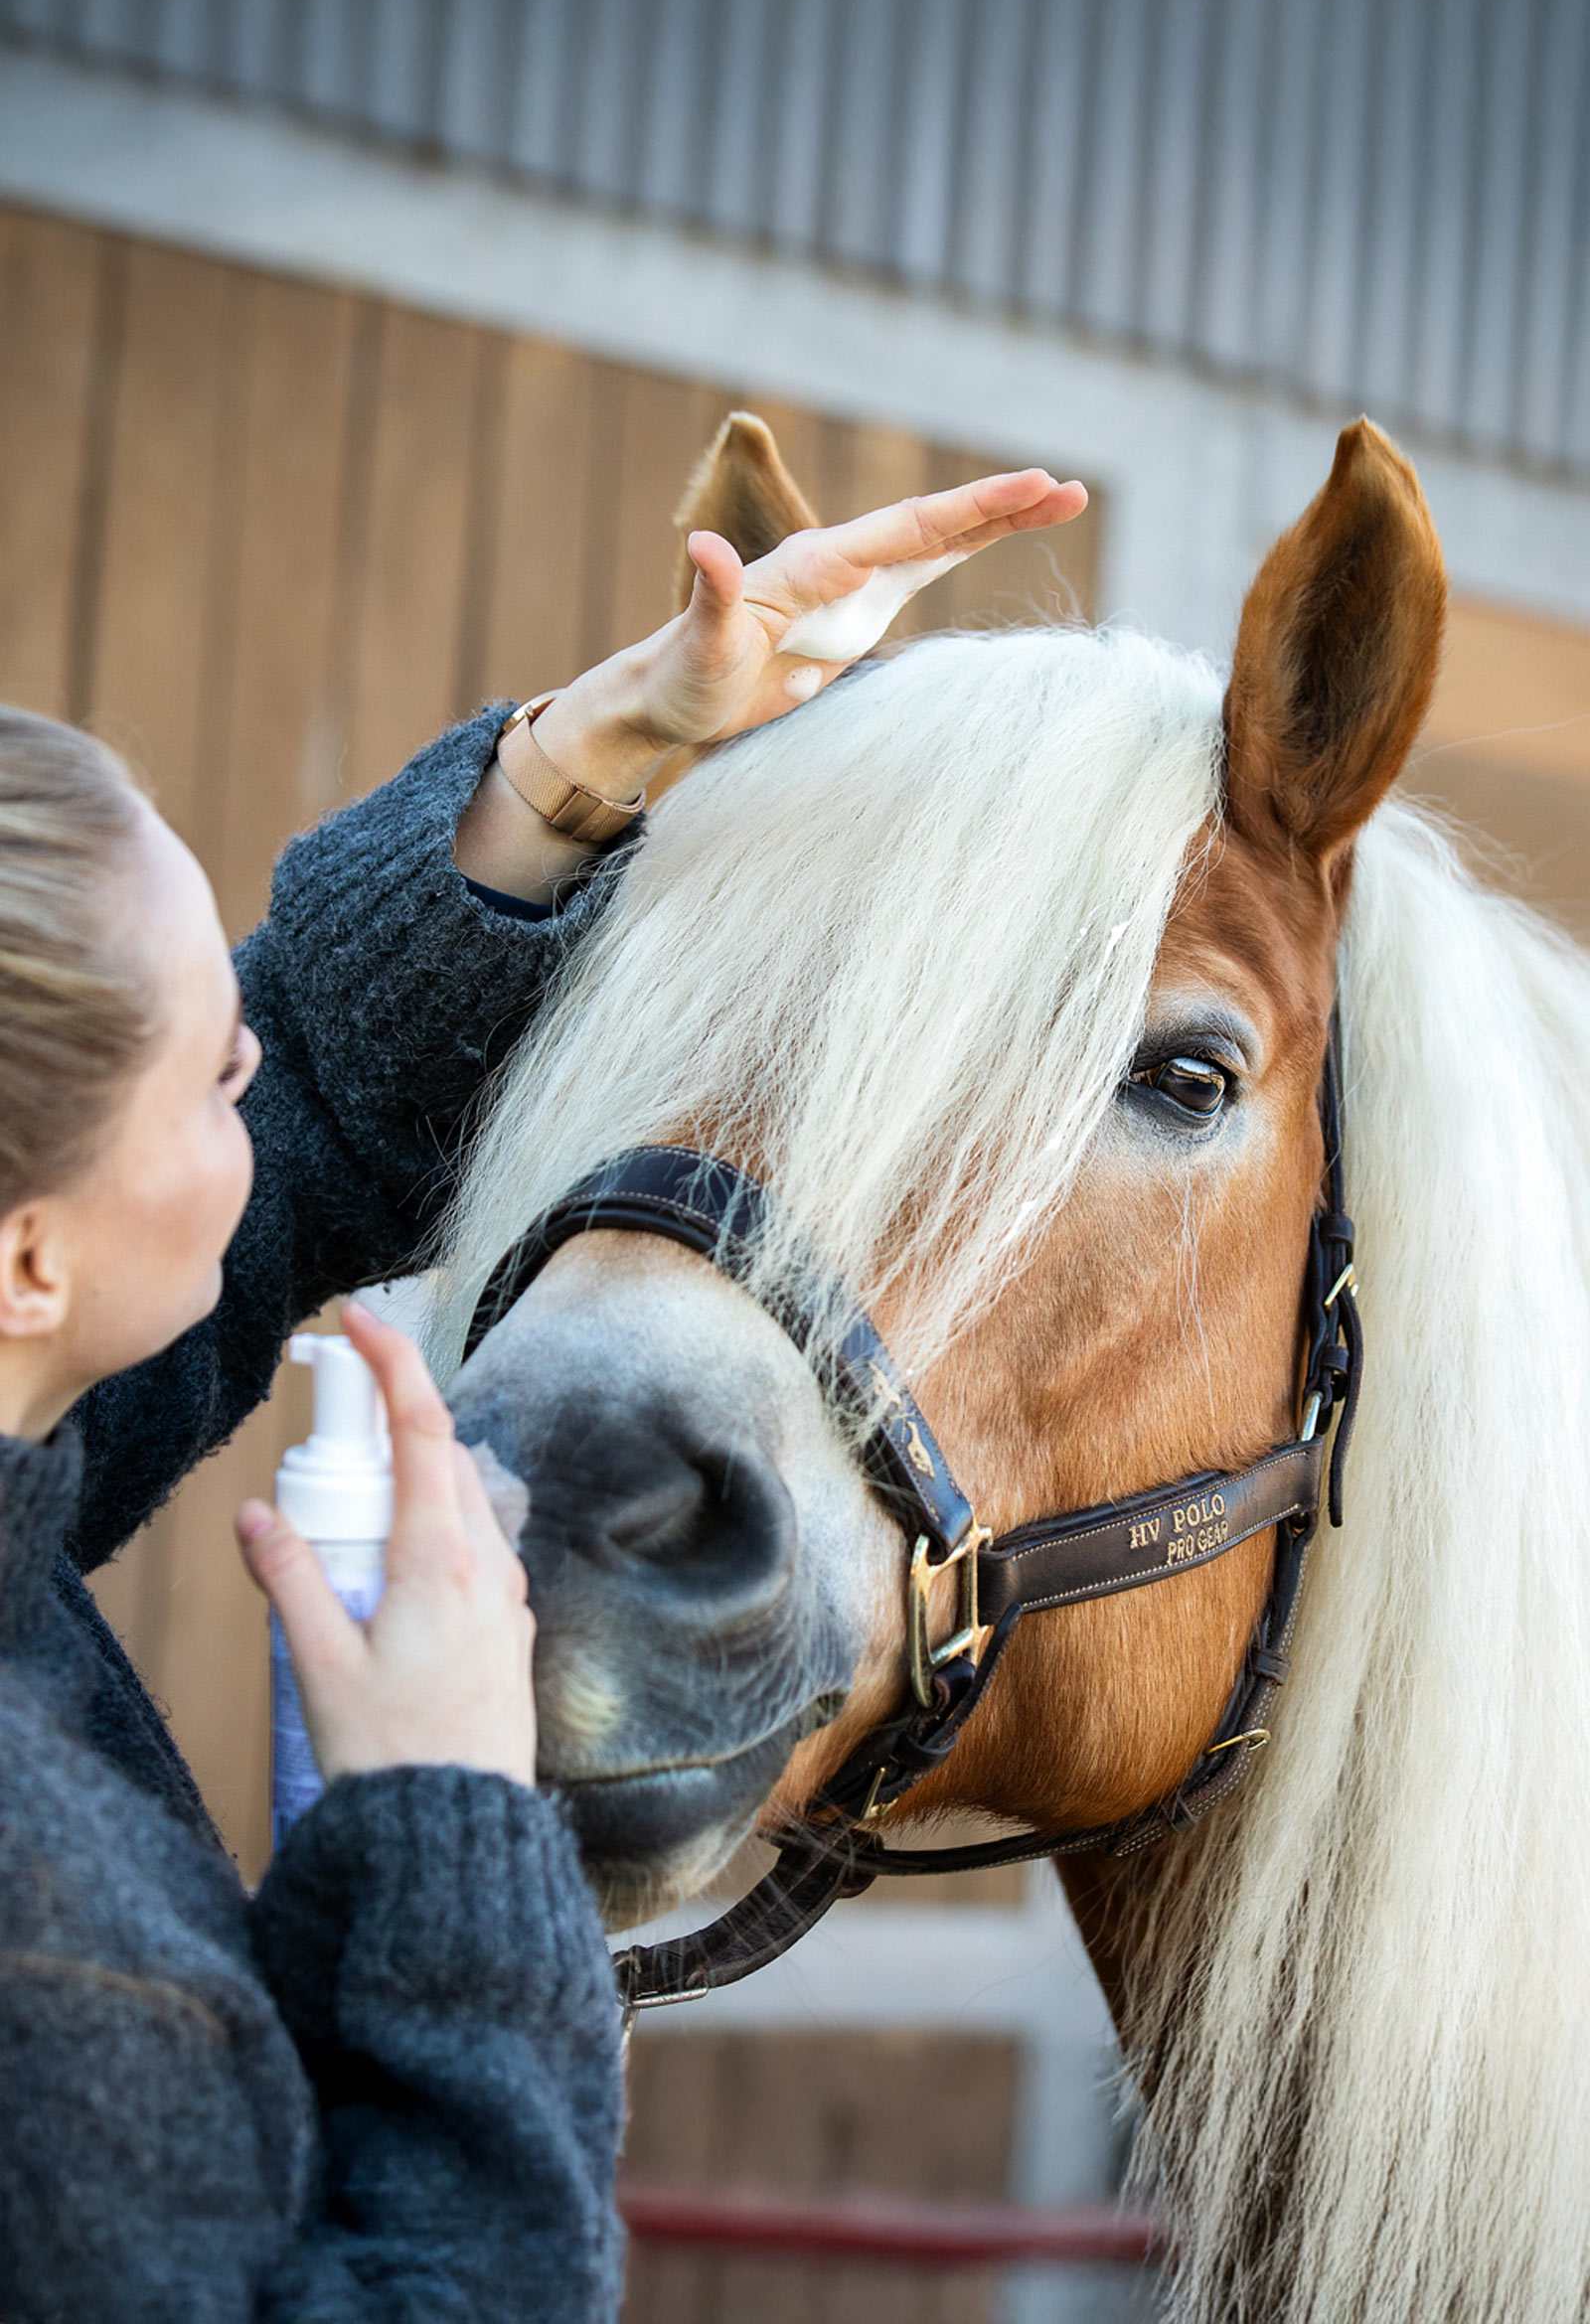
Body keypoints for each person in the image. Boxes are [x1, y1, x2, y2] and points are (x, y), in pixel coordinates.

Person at [0, 465, 1084, 2318]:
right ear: (31, 1264)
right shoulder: (51, 1956)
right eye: (205, 1074)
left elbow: (319, 1078)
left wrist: (608, 741)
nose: (259, 1069)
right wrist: (447, 1821)